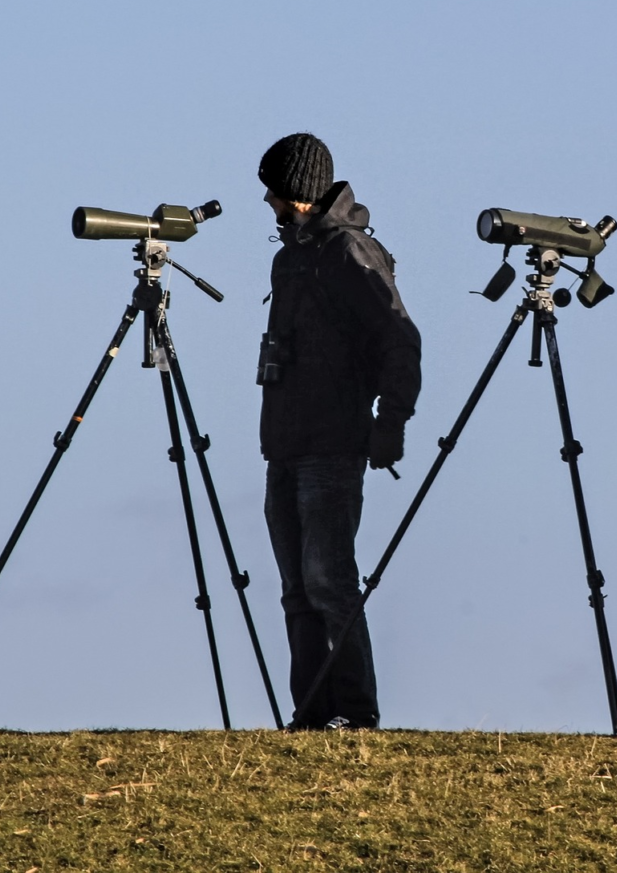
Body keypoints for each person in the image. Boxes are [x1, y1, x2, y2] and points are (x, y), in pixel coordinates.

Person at [256, 132, 421, 731]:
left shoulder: (351, 253)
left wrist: (391, 422)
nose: (268, 203)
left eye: (273, 192)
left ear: (296, 193)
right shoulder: (290, 256)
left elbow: (399, 341)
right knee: (297, 588)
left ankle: (355, 713)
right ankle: (311, 715)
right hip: (285, 445)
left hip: (332, 445)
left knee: (328, 580)